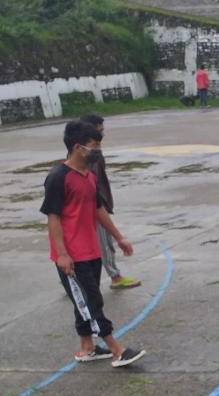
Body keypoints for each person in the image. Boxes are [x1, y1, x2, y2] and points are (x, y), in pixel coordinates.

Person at [41, 120, 146, 368]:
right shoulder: (58, 178)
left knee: (86, 300)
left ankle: (86, 348)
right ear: (78, 148)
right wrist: (63, 255)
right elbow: (53, 218)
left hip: (91, 250)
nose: (98, 149)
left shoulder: (88, 176)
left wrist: (119, 238)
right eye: (94, 145)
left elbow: (98, 209)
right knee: (91, 303)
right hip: (71, 255)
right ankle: (117, 350)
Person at [80, 115, 141, 291]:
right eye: (100, 132)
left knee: (90, 244)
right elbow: (93, 185)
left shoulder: (87, 154)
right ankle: (115, 277)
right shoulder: (89, 158)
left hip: (96, 204)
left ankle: (74, 278)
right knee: (104, 243)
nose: (102, 135)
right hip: (96, 207)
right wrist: (101, 206)